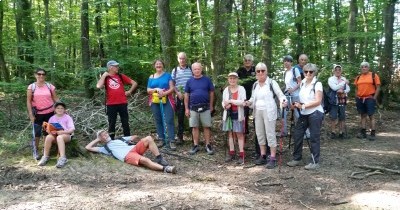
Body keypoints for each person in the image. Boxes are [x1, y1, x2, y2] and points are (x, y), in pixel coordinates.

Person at [244, 62, 287, 169]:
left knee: (270, 134)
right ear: (256, 73)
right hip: (257, 112)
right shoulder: (255, 85)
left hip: (269, 111)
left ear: (266, 71)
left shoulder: (272, 83)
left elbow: (280, 94)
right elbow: (253, 98)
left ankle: (272, 158)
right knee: (260, 134)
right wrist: (248, 102)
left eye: (263, 70)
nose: (260, 72)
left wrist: (283, 101)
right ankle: (263, 155)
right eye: (258, 71)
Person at [85, 130, 177, 174]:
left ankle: (159, 158)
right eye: (102, 136)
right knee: (144, 160)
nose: (105, 135)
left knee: (148, 138)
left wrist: (136, 140)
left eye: (105, 133)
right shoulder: (104, 148)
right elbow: (88, 147)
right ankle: (166, 168)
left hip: (134, 148)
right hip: (127, 155)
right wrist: (97, 139)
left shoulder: (119, 139)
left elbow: (134, 136)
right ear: (101, 139)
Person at [287, 63, 324, 170]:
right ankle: (297, 158)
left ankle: (315, 161)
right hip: (304, 113)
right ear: (303, 72)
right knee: (297, 134)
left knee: (314, 137)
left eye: (311, 71)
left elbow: (318, 101)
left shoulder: (317, 84)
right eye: (306, 71)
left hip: (315, 113)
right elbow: (303, 99)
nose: (308, 73)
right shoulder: (302, 82)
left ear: (314, 72)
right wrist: (296, 104)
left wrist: (302, 106)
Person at [96, 60, 138, 140]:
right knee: (112, 123)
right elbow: (98, 86)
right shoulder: (106, 77)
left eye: (117, 66)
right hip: (111, 104)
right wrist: (104, 76)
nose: (117, 67)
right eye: (116, 66)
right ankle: (111, 140)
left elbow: (134, 83)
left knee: (125, 122)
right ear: (110, 67)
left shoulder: (120, 76)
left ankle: (128, 139)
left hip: (122, 103)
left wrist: (129, 91)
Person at [27, 68, 59, 160]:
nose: (41, 76)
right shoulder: (31, 87)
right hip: (37, 114)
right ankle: (35, 150)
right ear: (35, 75)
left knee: (47, 132)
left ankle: (45, 151)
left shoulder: (50, 86)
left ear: (45, 76)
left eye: (43, 74)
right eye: (39, 74)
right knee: (36, 133)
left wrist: (62, 108)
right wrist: (30, 115)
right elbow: (28, 102)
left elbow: (55, 99)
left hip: (50, 113)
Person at [184, 62, 215, 155]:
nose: (197, 70)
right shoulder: (189, 81)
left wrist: (211, 105)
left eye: (198, 69)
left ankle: (208, 145)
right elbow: (186, 95)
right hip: (193, 107)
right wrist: (186, 108)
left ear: (201, 69)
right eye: (195, 69)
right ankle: (195, 145)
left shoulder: (207, 80)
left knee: (206, 126)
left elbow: (212, 92)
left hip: (205, 106)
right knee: (194, 127)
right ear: (192, 70)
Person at [147, 59, 176, 150]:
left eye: (160, 64)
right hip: (155, 100)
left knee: (169, 119)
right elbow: (148, 90)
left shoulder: (168, 76)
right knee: (158, 119)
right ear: (154, 66)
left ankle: (171, 140)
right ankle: (161, 139)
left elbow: (172, 88)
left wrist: (164, 93)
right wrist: (156, 89)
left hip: (167, 99)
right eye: (157, 64)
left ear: (163, 65)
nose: (158, 65)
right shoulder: (151, 77)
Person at [37, 102, 75, 168]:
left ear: (64, 109)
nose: (60, 110)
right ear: (54, 109)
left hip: (66, 135)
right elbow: (48, 128)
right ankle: (45, 156)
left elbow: (72, 129)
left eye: (62, 108)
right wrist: (50, 131)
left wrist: (63, 132)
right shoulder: (52, 118)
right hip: (55, 135)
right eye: (58, 108)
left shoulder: (68, 117)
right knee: (48, 137)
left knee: (60, 137)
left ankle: (62, 158)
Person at [222, 72, 247, 164]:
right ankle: (232, 153)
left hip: (238, 114)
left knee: (239, 134)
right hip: (228, 114)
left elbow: (243, 102)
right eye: (230, 78)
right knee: (230, 133)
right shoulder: (226, 90)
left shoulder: (241, 89)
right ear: (228, 79)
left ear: (237, 79)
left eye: (234, 78)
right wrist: (225, 106)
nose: (232, 80)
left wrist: (231, 101)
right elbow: (223, 102)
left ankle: (241, 154)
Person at [354, 62, 381, 141]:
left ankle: (372, 133)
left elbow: (378, 87)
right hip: (360, 98)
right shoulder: (358, 77)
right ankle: (363, 132)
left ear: (368, 68)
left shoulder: (374, 75)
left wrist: (374, 98)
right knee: (363, 115)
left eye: (365, 67)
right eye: (362, 67)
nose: (364, 68)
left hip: (370, 98)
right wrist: (356, 96)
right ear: (361, 68)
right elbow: (356, 88)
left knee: (371, 116)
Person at [171, 52, 192, 145]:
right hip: (179, 97)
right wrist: (177, 92)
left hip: (191, 97)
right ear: (177, 59)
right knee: (180, 117)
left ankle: (194, 139)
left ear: (186, 59)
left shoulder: (191, 69)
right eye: (180, 58)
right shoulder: (174, 70)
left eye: (183, 58)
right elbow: (172, 84)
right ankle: (180, 137)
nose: (182, 60)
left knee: (192, 117)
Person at [328, 65, 350, 139]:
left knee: (342, 117)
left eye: (339, 70)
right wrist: (343, 83)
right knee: (333, 117)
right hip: (333, 101)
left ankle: (341, 132)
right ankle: (333, 132)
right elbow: (334, 88)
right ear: (333, 71)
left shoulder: (344, 78)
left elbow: (348, 89)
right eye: (336, 70)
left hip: (342, 100)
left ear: (341, 71)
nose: (338, 71)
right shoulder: (331, 79)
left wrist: (343, 90)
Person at [236, 54, 256, 135]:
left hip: (255, 94)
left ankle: (258, 132)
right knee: (245, 114)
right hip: (243, 95)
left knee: (256, 114)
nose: (247, 62)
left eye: (249, 60)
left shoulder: (256, 69)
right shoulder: (240, 70)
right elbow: (234, 79)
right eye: (245, 60)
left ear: (252, 62)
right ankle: (245, 131)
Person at [282, 55, 301, 136]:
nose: (286, 62)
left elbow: (300, 82)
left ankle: (301, 132)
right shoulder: (285, 72)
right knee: (283, 112)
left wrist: (293, 89)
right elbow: (287, 85)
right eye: (285, 61)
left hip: (296, 95)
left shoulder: (295, 70)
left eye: (288, 61)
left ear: (291, 62)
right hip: (287, 95)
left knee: (297, 113)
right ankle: (284, 132)